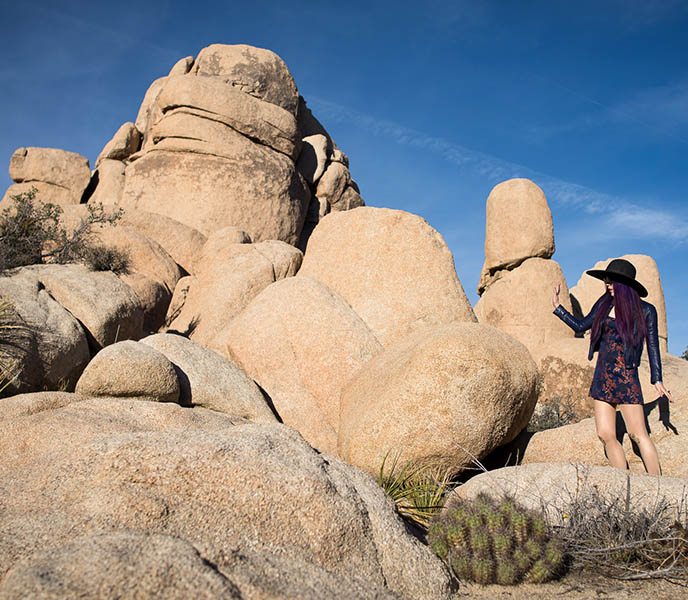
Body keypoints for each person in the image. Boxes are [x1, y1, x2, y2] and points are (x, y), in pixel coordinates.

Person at [551, 258, 673, 475]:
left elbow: (652, 346)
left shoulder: (646, 311)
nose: (607, 284)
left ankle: (658, 484)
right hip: (603, 377)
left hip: (627, 377)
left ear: (624, 284)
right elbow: (580, 325)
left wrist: (657, 379)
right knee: (605, 434)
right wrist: (558, 307)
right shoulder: (603, 304)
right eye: (606, 280)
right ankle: (622, 481)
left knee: (638, 434)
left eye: (612, 281)